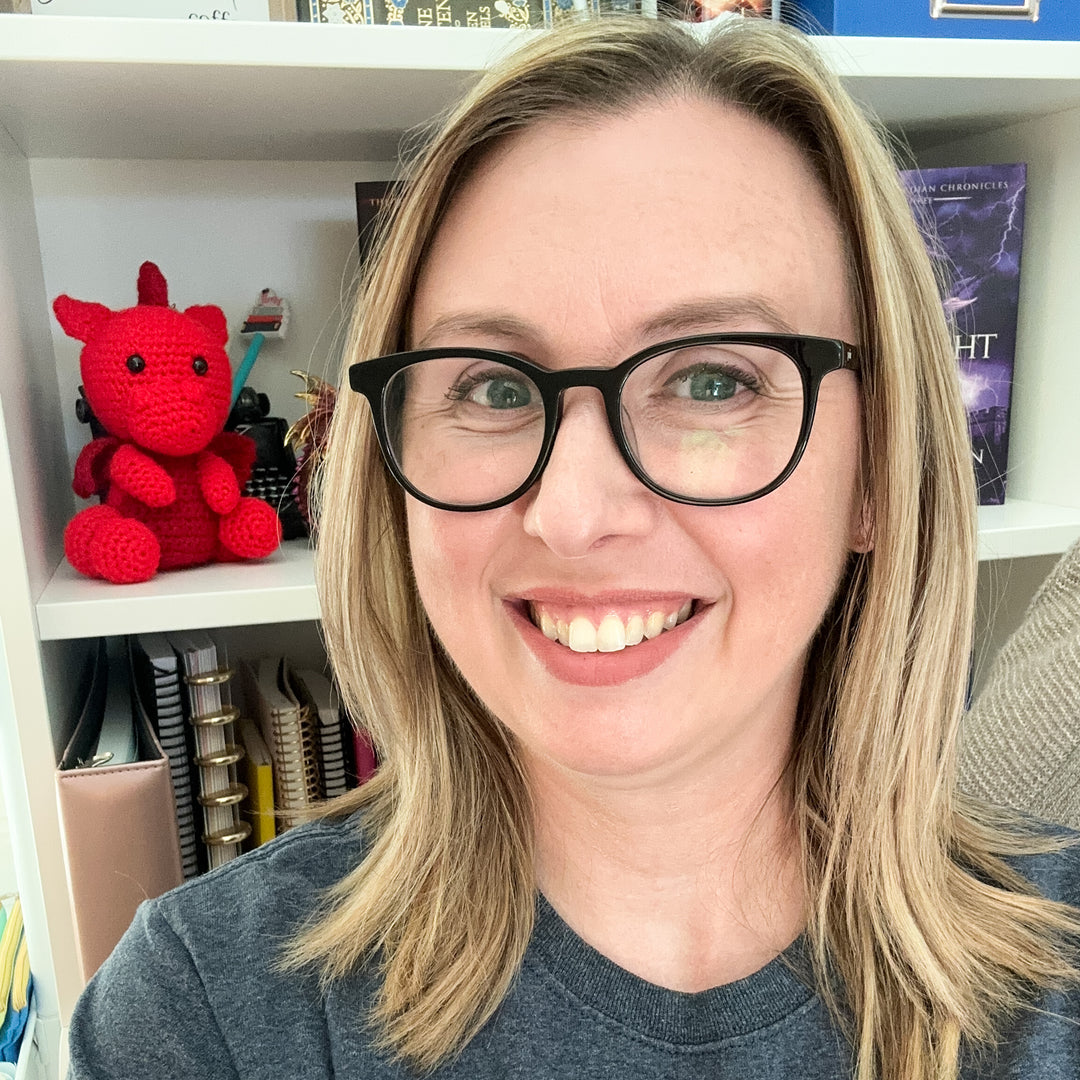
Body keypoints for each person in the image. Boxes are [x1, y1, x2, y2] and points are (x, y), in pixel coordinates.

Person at [67, 15, 1080, 1080]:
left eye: (712, 381)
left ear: (877, 470)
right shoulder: (201, 1015)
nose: (573, 511)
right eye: (494, 388)